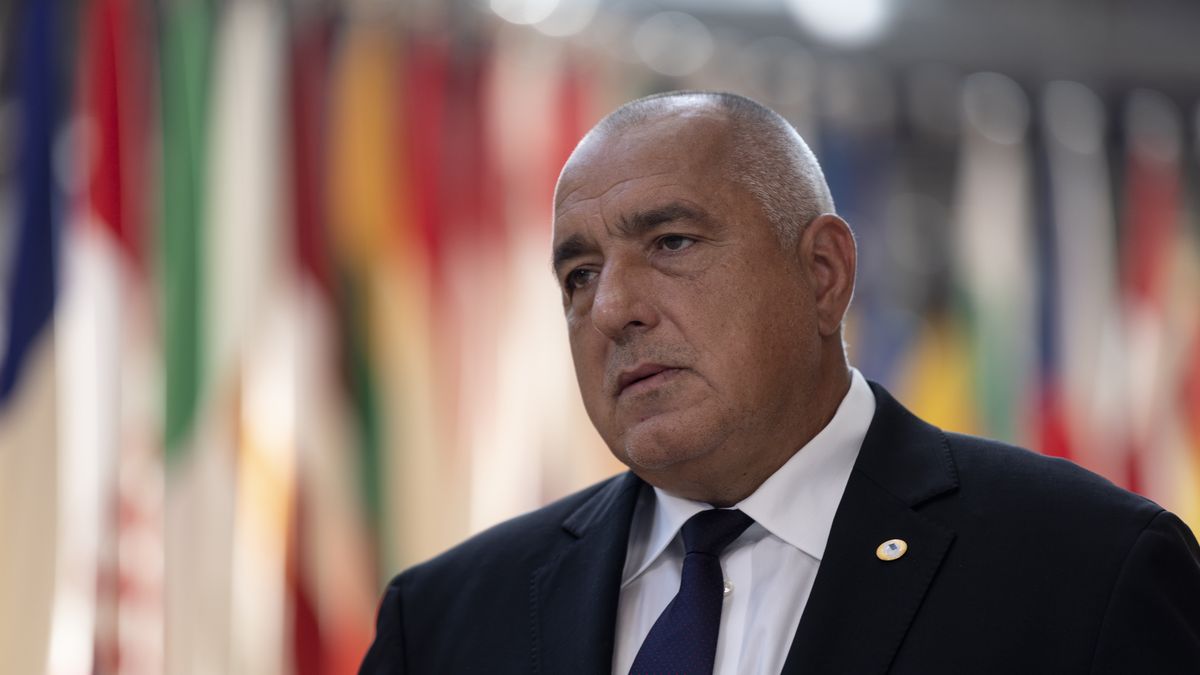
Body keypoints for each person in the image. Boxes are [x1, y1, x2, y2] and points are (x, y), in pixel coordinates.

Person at [359, 91, 1200, 674]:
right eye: (577, 273)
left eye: (672, 242)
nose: (611, 307)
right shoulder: (444, 620)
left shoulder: (1087, 573)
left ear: (824, 272)